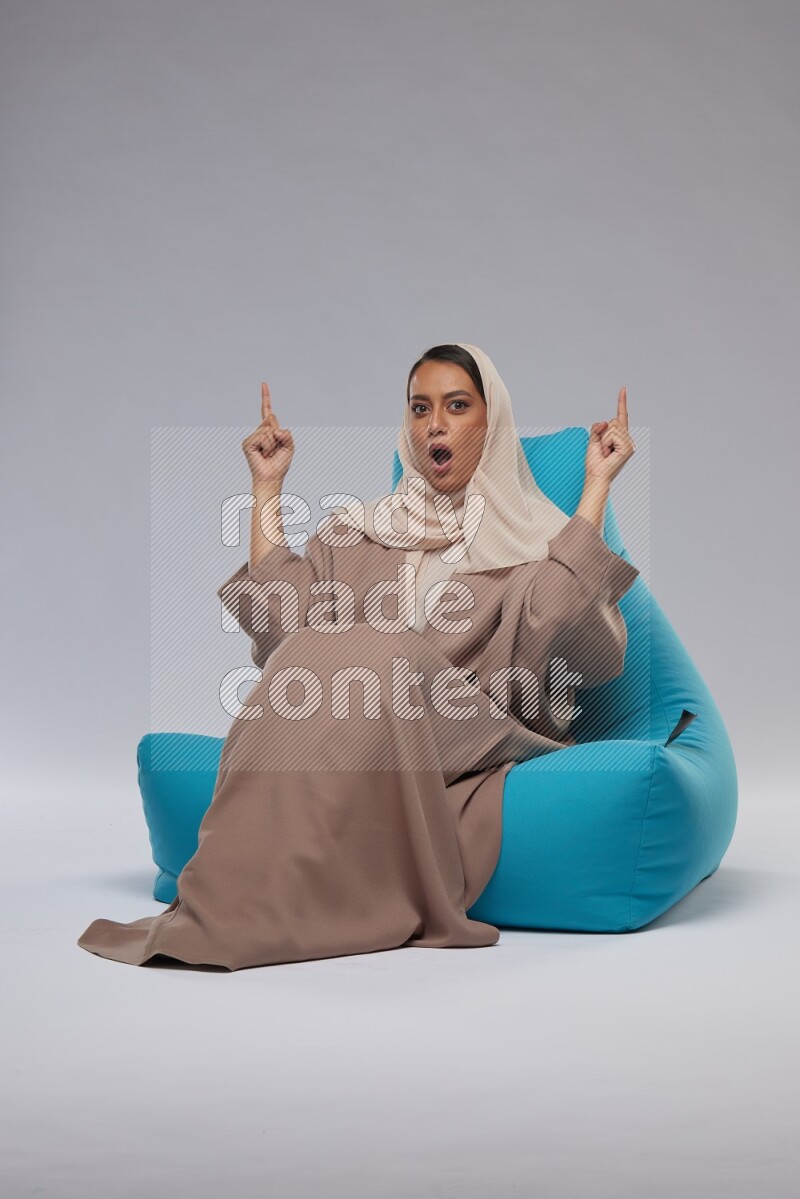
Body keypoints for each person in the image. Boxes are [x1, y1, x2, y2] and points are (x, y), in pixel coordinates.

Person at [77, 342, 639, 970]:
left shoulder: (536, 536)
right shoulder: (363, 529)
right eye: (421, 408)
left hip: (467, 728)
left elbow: (557, 619)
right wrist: (267, 489)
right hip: (365, 731)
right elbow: (286, 627)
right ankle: (239, 899)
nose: (436, 424)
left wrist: (596, 486)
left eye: (457, 406)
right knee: (327, 653)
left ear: (492, 421)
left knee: (380, 652)